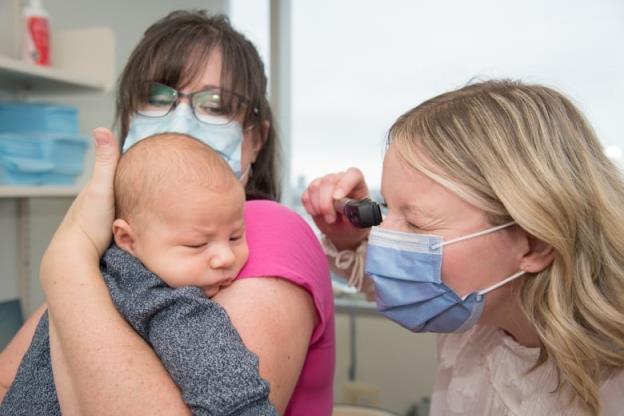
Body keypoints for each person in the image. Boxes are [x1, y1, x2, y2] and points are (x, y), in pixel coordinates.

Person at [0, 11, 334, 416]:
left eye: (216, 104)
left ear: (256, 138)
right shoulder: (125, 254)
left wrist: (70, 254)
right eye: (157, 98)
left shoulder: (266, 228)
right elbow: (10, 379)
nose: (180, 119)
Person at [303, 80, 624, 415]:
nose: (383, 236)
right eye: (386, 207)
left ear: (534, 243)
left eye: (416, 223)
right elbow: (387, 282)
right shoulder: (473, 314)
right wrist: (348, 237)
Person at [1, 133, 276, 415]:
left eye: (235, 236)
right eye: (197, 244)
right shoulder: (170, 304)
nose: (225, 257)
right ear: (127, 239)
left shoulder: (87, 277)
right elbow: (239, 404)